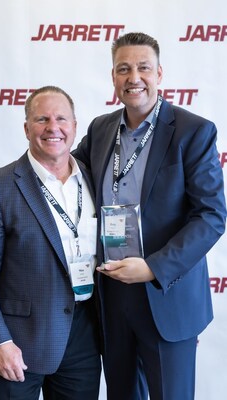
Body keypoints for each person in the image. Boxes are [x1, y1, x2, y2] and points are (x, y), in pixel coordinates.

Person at [72, 32, 227, 400]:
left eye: (143, 67)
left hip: (165, 292)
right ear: (113, 77)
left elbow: (211, 216)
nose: (134, 77)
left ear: (160, 73)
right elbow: (62, 172)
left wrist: (154, 267)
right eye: (124, 69)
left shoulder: (193, 131)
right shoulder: (100, 128)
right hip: (112, 294)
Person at [0, 86, 101, 400]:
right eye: (42, 119)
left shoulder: (95, 181)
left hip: (84, 337)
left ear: (75, 127)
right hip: (17, 341)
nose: (53, 127)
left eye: (62, 119)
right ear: (27, 128)